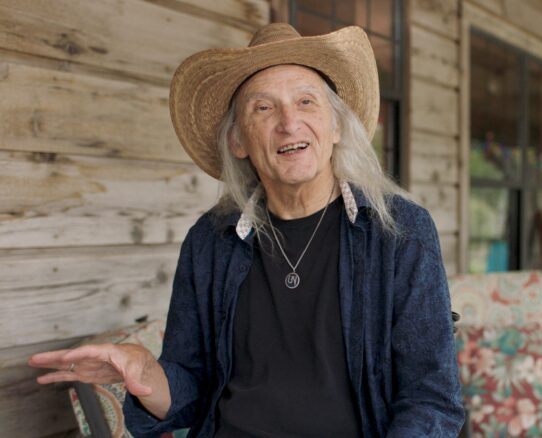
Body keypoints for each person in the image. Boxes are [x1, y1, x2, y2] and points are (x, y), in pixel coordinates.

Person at [28, 23, 464, 437]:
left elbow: (431, 400)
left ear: (335, 127)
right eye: (263, 107)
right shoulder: (210, 241)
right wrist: (147, 376)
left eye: (306, 102)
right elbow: (190, 391)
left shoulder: (399, 232)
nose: (289, 123)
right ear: (238, 141)